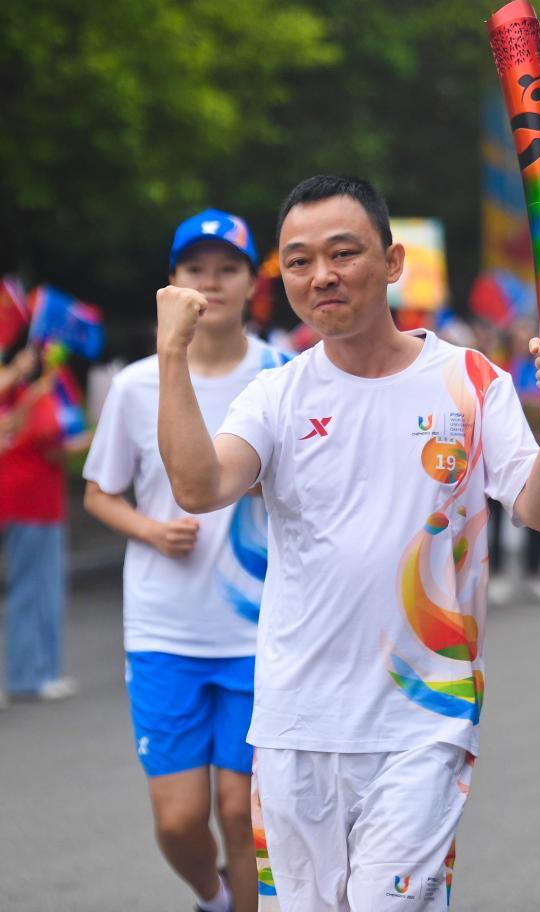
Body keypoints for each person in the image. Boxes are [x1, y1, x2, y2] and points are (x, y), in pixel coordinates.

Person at [155, 176, 540, 912]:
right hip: (295, 725)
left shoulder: (469, 381)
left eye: (342, 253)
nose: (321, 275)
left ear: (391, 263)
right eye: (298, 261)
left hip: (424, 716)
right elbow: (199, 488)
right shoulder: (278, 394)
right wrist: (172, 354)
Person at [83, 210, 288, 912]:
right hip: (165, 630)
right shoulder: (138, 385)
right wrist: (148, 528)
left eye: (228, 268)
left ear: (251, 283)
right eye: (195, 269)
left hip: (258, 632)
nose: (212, 282)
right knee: (178, 820)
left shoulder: (281, 375)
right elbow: (99, 492)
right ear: (172, 283)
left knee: (240, 812)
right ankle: (211, 896)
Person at [0, 345, 86, 706]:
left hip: (41, 504)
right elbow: (50, 441)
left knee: (43, 588)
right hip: (27, 504)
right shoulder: (25, 393)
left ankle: (41, 672)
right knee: (31, 589)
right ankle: (27, 676)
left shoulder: (35, 392)